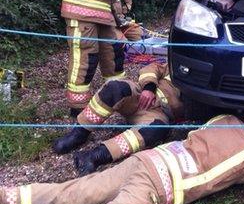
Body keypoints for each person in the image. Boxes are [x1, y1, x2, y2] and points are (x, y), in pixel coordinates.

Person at [0, 113, 244, 204]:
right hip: (156, 188)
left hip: (145, 161)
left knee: (76, 191)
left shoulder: (225, 121)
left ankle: (11, 197)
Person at [52, 62, 183, 175]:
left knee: (156, 131)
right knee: (115, 88)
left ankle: (94, 156)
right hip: (140, 95)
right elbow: (151, 68)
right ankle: (79, 132)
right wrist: (149, 88)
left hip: (158, 114)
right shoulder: (179, 63)